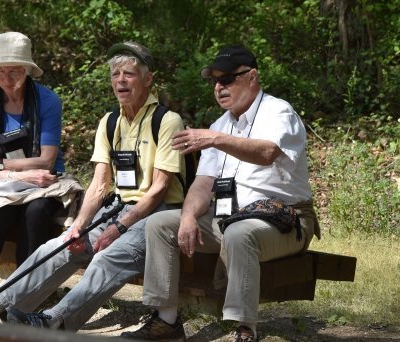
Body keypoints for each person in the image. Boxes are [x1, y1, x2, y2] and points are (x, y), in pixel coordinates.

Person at [0, 41, 185, 332]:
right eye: (115, 74)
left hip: (155, 215)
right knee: (59, 246)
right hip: (117, 208)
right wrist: (79, 226)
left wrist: (119, 228)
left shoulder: (167, 121)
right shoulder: (109, 122)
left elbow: (159, 188)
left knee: (107, 257)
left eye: (129, 74)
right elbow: (98, 184)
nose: (120, 80)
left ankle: (53, 321)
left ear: (148, 79)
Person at [121, 44, 320, 342]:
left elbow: (266, 152)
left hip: (284, 220)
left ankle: (244, 328)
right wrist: (188, 217)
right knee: (160, 224)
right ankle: (166, 320)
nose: (218, 87)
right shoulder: (221, 124)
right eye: (214, 80)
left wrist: (215, 139)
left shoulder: (278, 111)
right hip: (230, 216)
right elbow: (203, 184)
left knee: (240, 233)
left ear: (251, 77)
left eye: (227, 79)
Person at [0, 31, 83, 314]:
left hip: (46, 182)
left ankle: (25, 293)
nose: (7, 78)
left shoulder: (48, 101)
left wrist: (2, 165)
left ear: (27, 71)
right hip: (7, 183)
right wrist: (19, 174)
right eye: (0, 71)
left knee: (36, 213)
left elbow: (47, 161)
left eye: (14, 71)